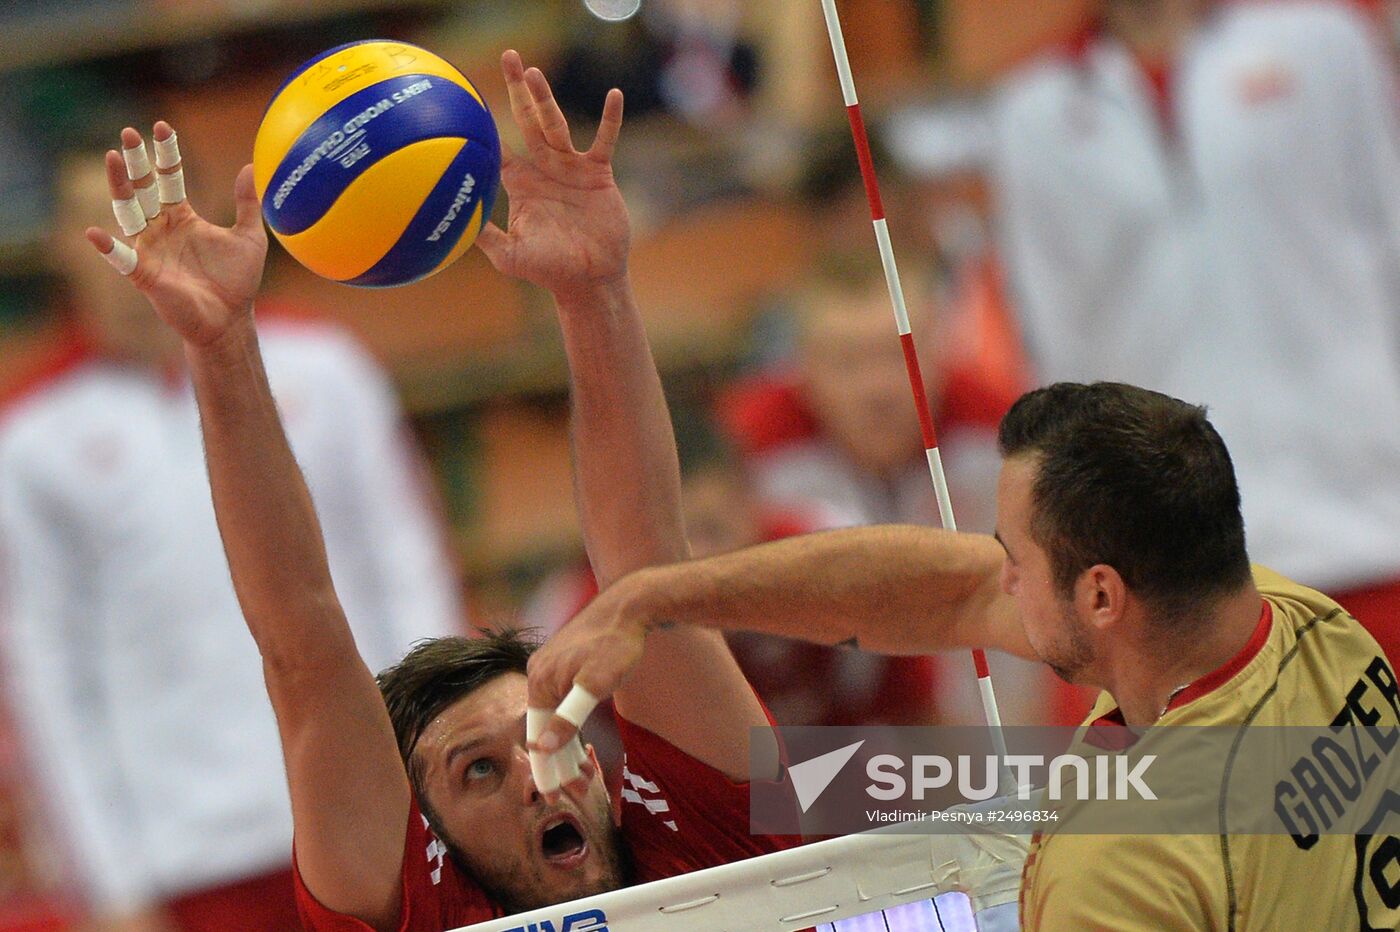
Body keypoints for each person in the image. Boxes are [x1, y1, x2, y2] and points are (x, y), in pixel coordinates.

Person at [81, 49, 795, 931]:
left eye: (554, 733)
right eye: (480, 773)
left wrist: (594, 288)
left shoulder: (710, 834)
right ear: (430, 838)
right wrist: (221, 348)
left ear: (604, 769)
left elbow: (647, 569)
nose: (539, 777)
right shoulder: (422, 912)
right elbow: (302, 647)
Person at [524, 380, 1399, 930]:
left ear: (1100, 596)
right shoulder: (1311, 625)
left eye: (1014, 559)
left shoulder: (1119, 860)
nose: (1000, 580)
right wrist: (655, 595)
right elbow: (950, 590)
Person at [0, 153, 465, 927]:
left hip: (382, 802)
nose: (134, 242)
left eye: (148, 211)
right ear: (60, 247)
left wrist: (443, 760)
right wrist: (110, 887)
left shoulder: (327, 365)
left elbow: (408, 566)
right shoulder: (31, 440)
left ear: (204, 207)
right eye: (106, 222)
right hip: (193, 848)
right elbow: (46, 669)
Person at [987, 0, 1400, 672]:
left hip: (1371, 522)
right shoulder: (1031, 112)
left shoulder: (1322, 43)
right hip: (1181, 569)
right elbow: (1055, 349)